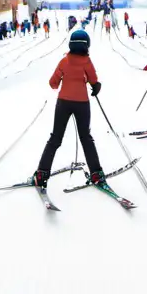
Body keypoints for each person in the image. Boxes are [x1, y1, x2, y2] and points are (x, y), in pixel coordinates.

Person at [34, 29, 106, 189]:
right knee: (86, 138)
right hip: (82, 103)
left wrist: (62, 79)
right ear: (87, 45)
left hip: (63, 103)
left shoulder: (64, 61)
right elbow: (94, 80)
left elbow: (53, 83)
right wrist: (95, 86)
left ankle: (41, 173)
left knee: (55, 139)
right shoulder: (87, 61)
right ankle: (96, 173)